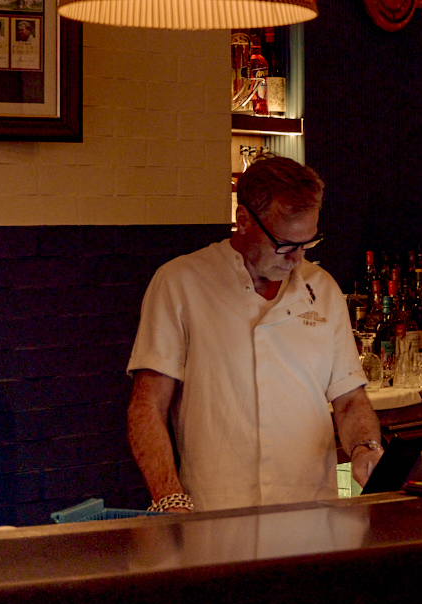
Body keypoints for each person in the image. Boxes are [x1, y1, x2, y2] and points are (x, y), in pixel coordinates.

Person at [126, 154, 381, 513]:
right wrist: (169, 496)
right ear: (243, 220)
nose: (296, 259)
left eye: (307, 244)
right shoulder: (180, 283)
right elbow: (148, 406)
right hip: (214, 511)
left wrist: (364, 447)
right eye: (285, 245)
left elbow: (349, 400)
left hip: (309, 513)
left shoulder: (322, 289)